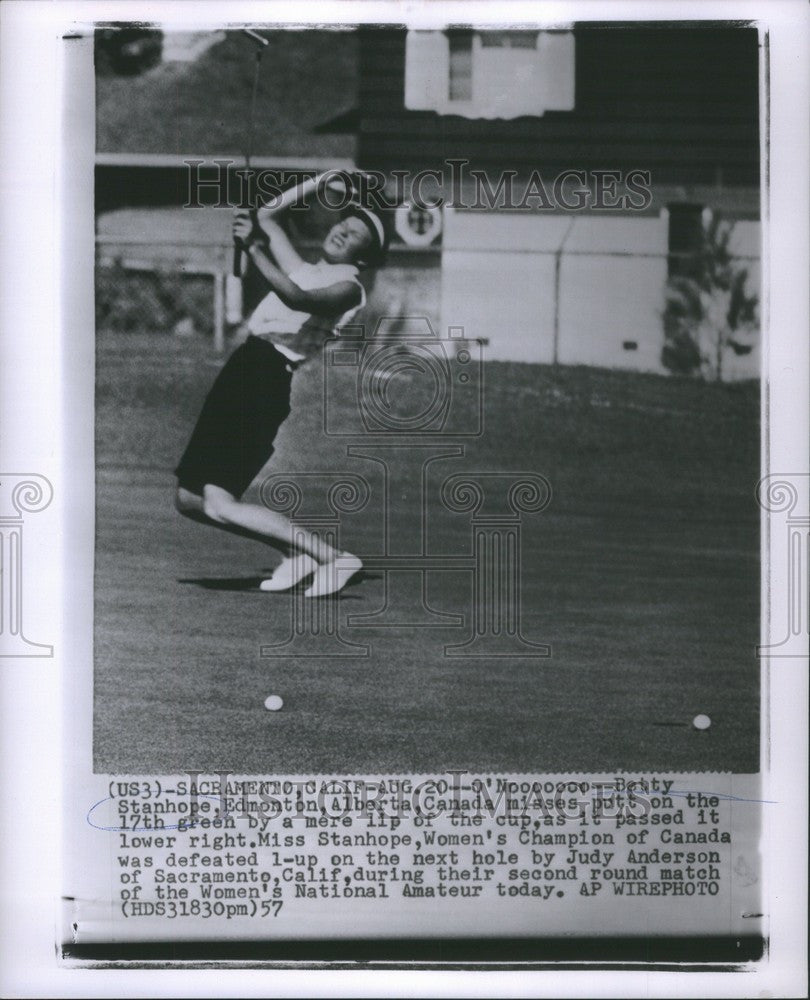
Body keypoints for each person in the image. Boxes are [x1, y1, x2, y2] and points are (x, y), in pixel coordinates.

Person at [174, 183, 387, 597]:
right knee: (188, 498)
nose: (343, 229)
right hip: (243, 369)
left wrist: (253, 249)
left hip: (265, 379)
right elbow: (269, 216)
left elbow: (296, 297)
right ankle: (295, 555)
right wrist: (318, 183)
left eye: (357, 234)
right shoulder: (308, 268)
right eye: (345, 221)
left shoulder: (349, 287)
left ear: (363, 255)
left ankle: (332, 557)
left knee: (219, 502)